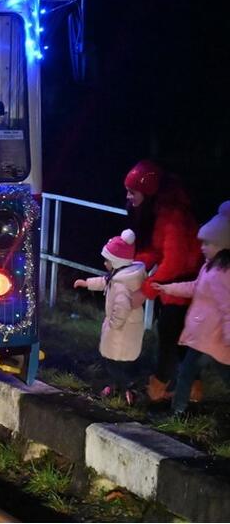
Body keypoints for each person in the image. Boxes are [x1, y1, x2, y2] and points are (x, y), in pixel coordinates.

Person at [125, 160, 204, 402]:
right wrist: (134, 265)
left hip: (182, 288)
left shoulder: (172, 217)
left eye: (132, 192)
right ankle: (191, 388)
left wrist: (145, 290)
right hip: (175, 287)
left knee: (169, 337)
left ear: (147, 192)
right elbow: (159, 251)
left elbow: (175, 261)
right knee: (178, 339)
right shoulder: (162, 214)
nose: (128, 197)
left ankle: (160, 387)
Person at [152, 202, 230, 416]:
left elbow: (228, 307)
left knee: (202, 372)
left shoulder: (220, 275)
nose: (202, 247)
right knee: (187, 372)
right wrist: (168, 288)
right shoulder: (209, 267)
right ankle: (178, 410)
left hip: (213, 339)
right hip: (202, 337)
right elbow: (194, 287)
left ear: (223, 246)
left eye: (208, 243)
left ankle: (179, 409)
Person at [73, 229, 147, 403]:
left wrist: (113, 325)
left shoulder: (121, 285)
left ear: (116, 262)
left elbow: (121, 308)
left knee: (113, 361)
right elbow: (105, 281)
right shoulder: (121, 276)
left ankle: (126, 389)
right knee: (120, 360)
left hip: (121, 329)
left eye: (107, 260)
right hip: (128, 327)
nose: (105, 263)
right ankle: (118, 387)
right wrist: (87, 283)